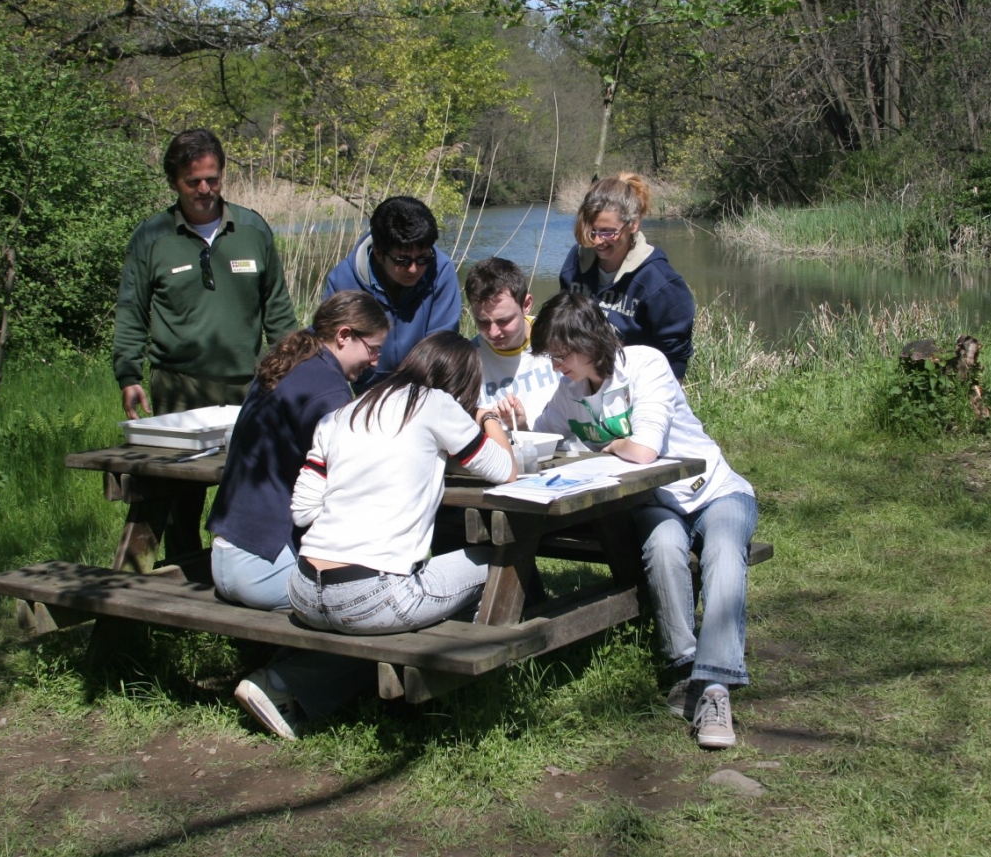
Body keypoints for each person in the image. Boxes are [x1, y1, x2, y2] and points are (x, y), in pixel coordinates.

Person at [529, 291, 758, 750]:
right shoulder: (571, 390)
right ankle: (684, 666)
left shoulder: (644, 364)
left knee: (723, 551)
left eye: (561, 355)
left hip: (714, 489)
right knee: (663, 548)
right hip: (657, 499)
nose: (555, 366)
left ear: (589, 341)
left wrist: (611, 445)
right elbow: (544, 439)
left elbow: (645, 448)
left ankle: (714, 688)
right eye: (551, 357)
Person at [208, 290, 390, 739]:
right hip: (264, 564)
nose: (373, 362)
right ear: (344, 335)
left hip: (228, 552)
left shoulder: (292, 362)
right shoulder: (326, 388)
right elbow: (357, 478)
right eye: (372, 350)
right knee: (379, 608)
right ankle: (283, 687)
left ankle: (288, 668)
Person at [113, 128, 298, 552]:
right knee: (181, 494)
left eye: (213, 179)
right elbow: (131, 312)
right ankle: (183, 572)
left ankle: (253, 567)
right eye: (193, 181)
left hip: (249, 384)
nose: (205, 190)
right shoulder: (151, 238)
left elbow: (278, 310)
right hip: (179, 386)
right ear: (173, 182)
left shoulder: (252, 229)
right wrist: (127, 373)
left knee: (259, 482)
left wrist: (292, 371)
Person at [287, 332, 517, 637]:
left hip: (302, 589)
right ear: (462, 384)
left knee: (352, 626)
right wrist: (488, 417)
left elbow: (302, 512)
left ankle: (276, 679)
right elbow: (506, 469)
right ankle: (483, 661)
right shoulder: (436, 403)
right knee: (499, 562)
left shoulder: (343, 413)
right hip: (375, 594)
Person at [557, 172, 696, 380]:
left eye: (608, 231)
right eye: (592, 231)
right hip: (585, 381)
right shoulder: (575, 262)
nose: (597, 241)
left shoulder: (660, 281)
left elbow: (675, 356)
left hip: (640, 384)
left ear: (634, 224)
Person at [323, 195, 461, 388]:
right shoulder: (343, 280)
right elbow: (331, 352)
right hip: (366, 391)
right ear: (379, 254)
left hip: (425, 389)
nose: (413, 269)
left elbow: (441, 345)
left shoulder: (442, 270)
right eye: (402, 261)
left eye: (422, 259)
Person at [463, 256, 560, 428]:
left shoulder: (558, 339)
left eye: (504, 320)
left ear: (526, 304)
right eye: (483, 322)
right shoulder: (466, 360)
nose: (493, 332)